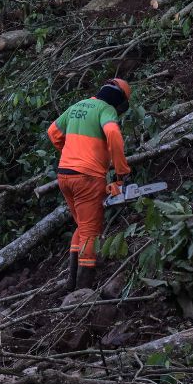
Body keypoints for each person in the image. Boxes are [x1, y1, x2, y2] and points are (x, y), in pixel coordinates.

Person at [46, 78, 132, 290]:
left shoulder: (78, 106)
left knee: (82, 227)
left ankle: (71, 284)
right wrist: (121, 172)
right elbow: (112, 132)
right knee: (91, 233)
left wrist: (72, 155)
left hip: (65, 175)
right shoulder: (106, 109)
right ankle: (83, 290)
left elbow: (53, 132)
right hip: (88, 178)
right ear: (119, 101)